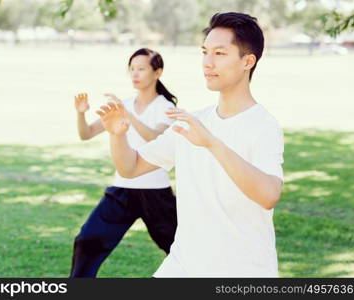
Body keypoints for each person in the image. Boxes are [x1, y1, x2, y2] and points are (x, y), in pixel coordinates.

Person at [96, 12, 284, 277]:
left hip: (243, 270)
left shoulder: (262, 125)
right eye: (205, 52)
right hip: (184, 264)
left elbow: (269, 195)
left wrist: (211, 143)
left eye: (220, 53)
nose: (207, 62)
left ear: (248, 61)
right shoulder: (190, 121)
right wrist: (117, 135)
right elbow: (131, 168)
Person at [70, 48, 178, 278]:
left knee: (181, 247)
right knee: (87, 241)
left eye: (141, 69)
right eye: (131, 69)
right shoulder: (124, 105)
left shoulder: (167, 107)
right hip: (122, 190)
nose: (135, 74)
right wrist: (81, 113)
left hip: (155, 193)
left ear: (157, 72)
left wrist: (127, 114)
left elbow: (155, 138)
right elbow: (86, 134)